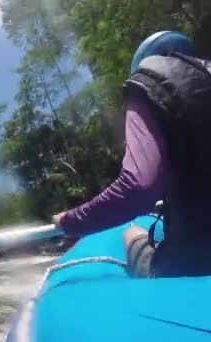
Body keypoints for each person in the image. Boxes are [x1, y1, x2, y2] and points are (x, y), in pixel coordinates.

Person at [52, 30, 211, 278]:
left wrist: (70, 221)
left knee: (131, 233)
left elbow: (139, 187)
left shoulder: (149, 84)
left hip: (197, 260)